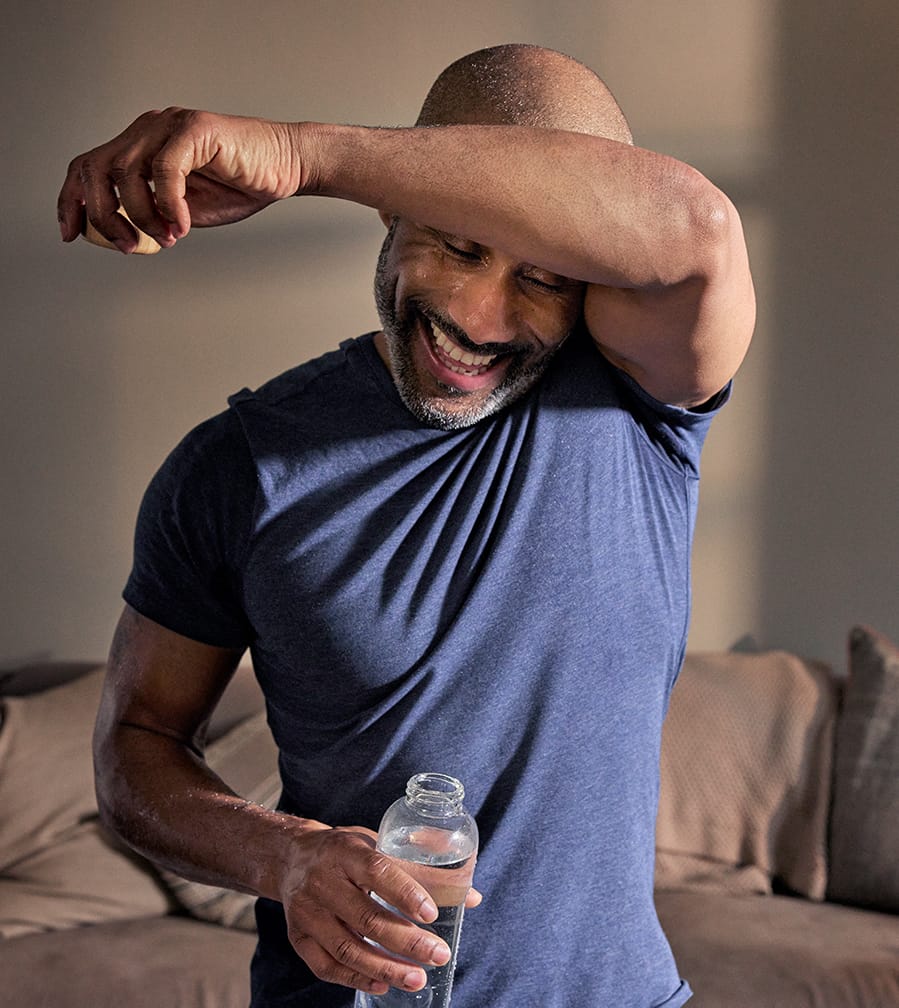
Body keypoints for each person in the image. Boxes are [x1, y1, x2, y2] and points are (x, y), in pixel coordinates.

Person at [58, 44, 754, 1007]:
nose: (478, 314)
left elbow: (697, 228)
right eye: (457, 243)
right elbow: (134, 748)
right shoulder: (239, 465)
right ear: (394, 203)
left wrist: (300, 156)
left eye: (544, 277)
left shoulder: (642, 404)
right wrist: (285, 856)